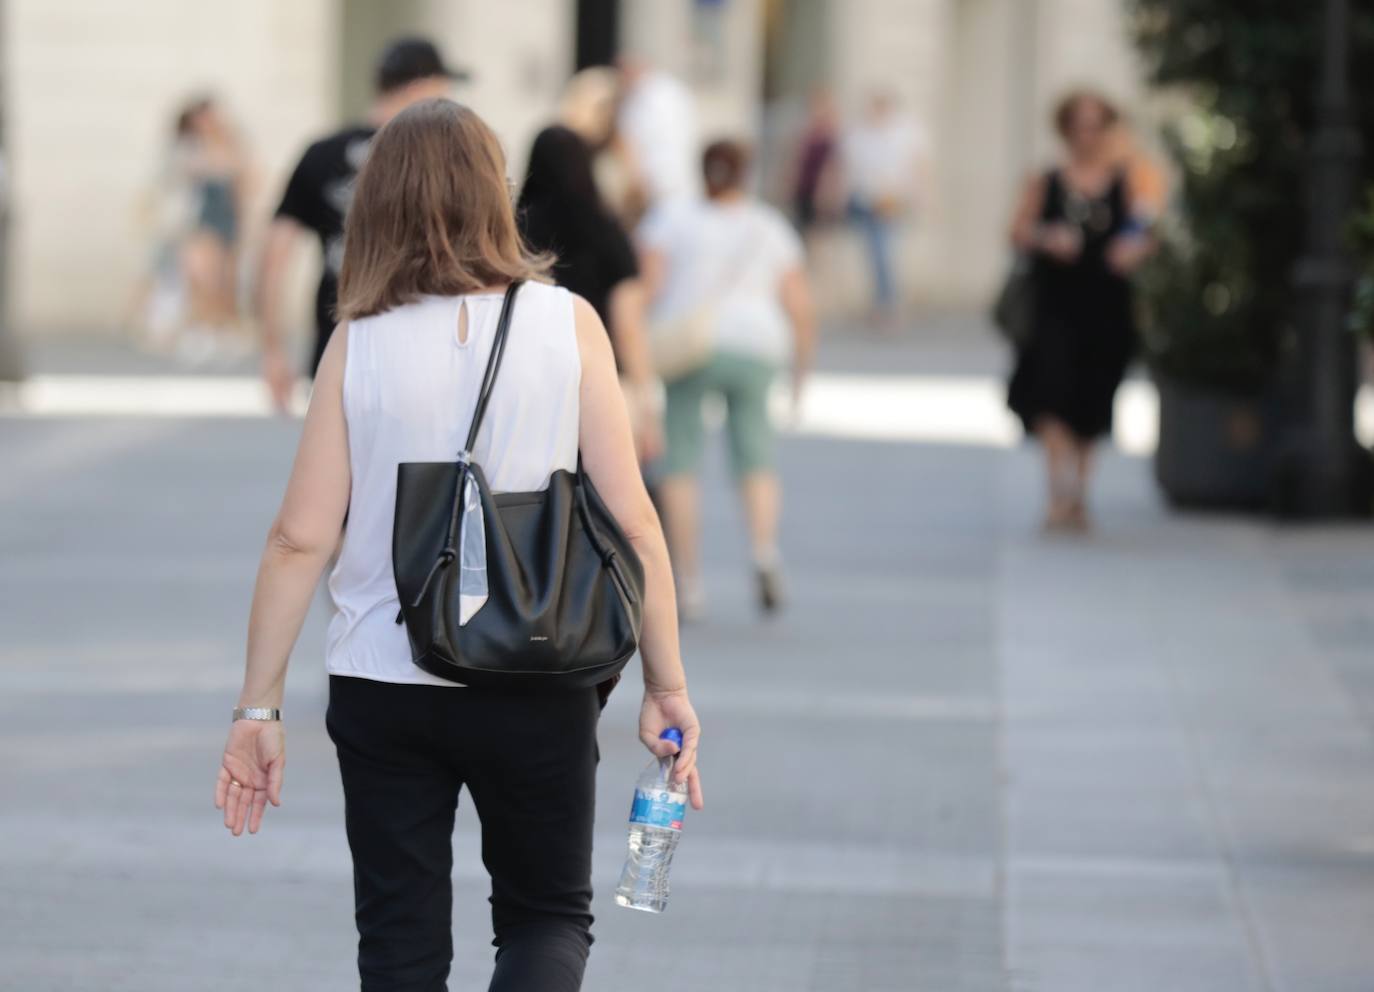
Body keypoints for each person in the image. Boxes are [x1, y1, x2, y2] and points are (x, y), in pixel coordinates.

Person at [213, 99, 703, 991]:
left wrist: (258, 708)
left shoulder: (356, 340)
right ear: (494, 194)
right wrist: (665, 684)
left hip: (383, 679)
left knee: (398, 942)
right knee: (547, 916)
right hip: (540, 667)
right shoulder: (567, 325)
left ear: (380, 205)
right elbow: (634, 521)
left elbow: (298, 539)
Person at [639, 140, 816, 618]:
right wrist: (801, 374)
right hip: (756, 345)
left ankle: (690, 581)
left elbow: (648, 289)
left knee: (680, 461)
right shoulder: (770, 227)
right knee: (755, 454)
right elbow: (798, 306)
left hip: (691, 346)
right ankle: (763, 551)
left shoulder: (671, 221)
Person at [256, 37, 467, 411]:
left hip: (339, 334)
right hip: (427, 340)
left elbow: (276, 254)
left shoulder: (322, 153)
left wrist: (273, 348)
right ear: (422, 86)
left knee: (336, 459)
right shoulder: (444, 156)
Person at [1007, 90, 1157, 532]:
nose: (1086, 135)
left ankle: (1082, 494)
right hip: (1054, 303)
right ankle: (1058, 490)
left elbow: (1148, 229)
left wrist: (1135, 249)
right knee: (1051, 394)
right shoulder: (1046, 179)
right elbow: (1017, 231)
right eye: (1079, 125)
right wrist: (1045, 237)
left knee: (1093, 399)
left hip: (1107, 304)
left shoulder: (1128, 179)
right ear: (1065, 129)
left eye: (1096, 125)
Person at [517, 124, 662, 458]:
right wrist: (646, 403)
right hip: (602, 382)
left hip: (528, 383)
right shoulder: (607, 231)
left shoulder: (513, 232)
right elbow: (628, 325)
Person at [169, 96, 254, 359]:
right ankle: (200, 326)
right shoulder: (192, 148)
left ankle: (223, 327)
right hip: (203, 218)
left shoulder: (232, 145)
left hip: (227, 217)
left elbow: (245, 182)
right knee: (202, 275)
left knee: (225, 279)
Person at [841, 90, 926, 326]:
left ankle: (888, 303)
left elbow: (918, 165)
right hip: (865, 198)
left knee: (884, 252)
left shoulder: (905, 132)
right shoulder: (859, 133)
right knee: (873, 253)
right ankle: (881, 301)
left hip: (892, 200)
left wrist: (920, 196)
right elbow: (848, 166)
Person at [616, 56, 700, 210]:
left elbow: (629, 141)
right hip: (678, 178)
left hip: (657, 180)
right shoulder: (673, 90)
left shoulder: (638, 98)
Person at [790, 87, 843, 244]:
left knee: (818, 234)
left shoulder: (834, 134)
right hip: (804, 188)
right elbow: (796, 160)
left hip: (822, 193)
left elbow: (836, 167)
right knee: (800, 230)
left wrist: (831, 192)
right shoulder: (806, 131)